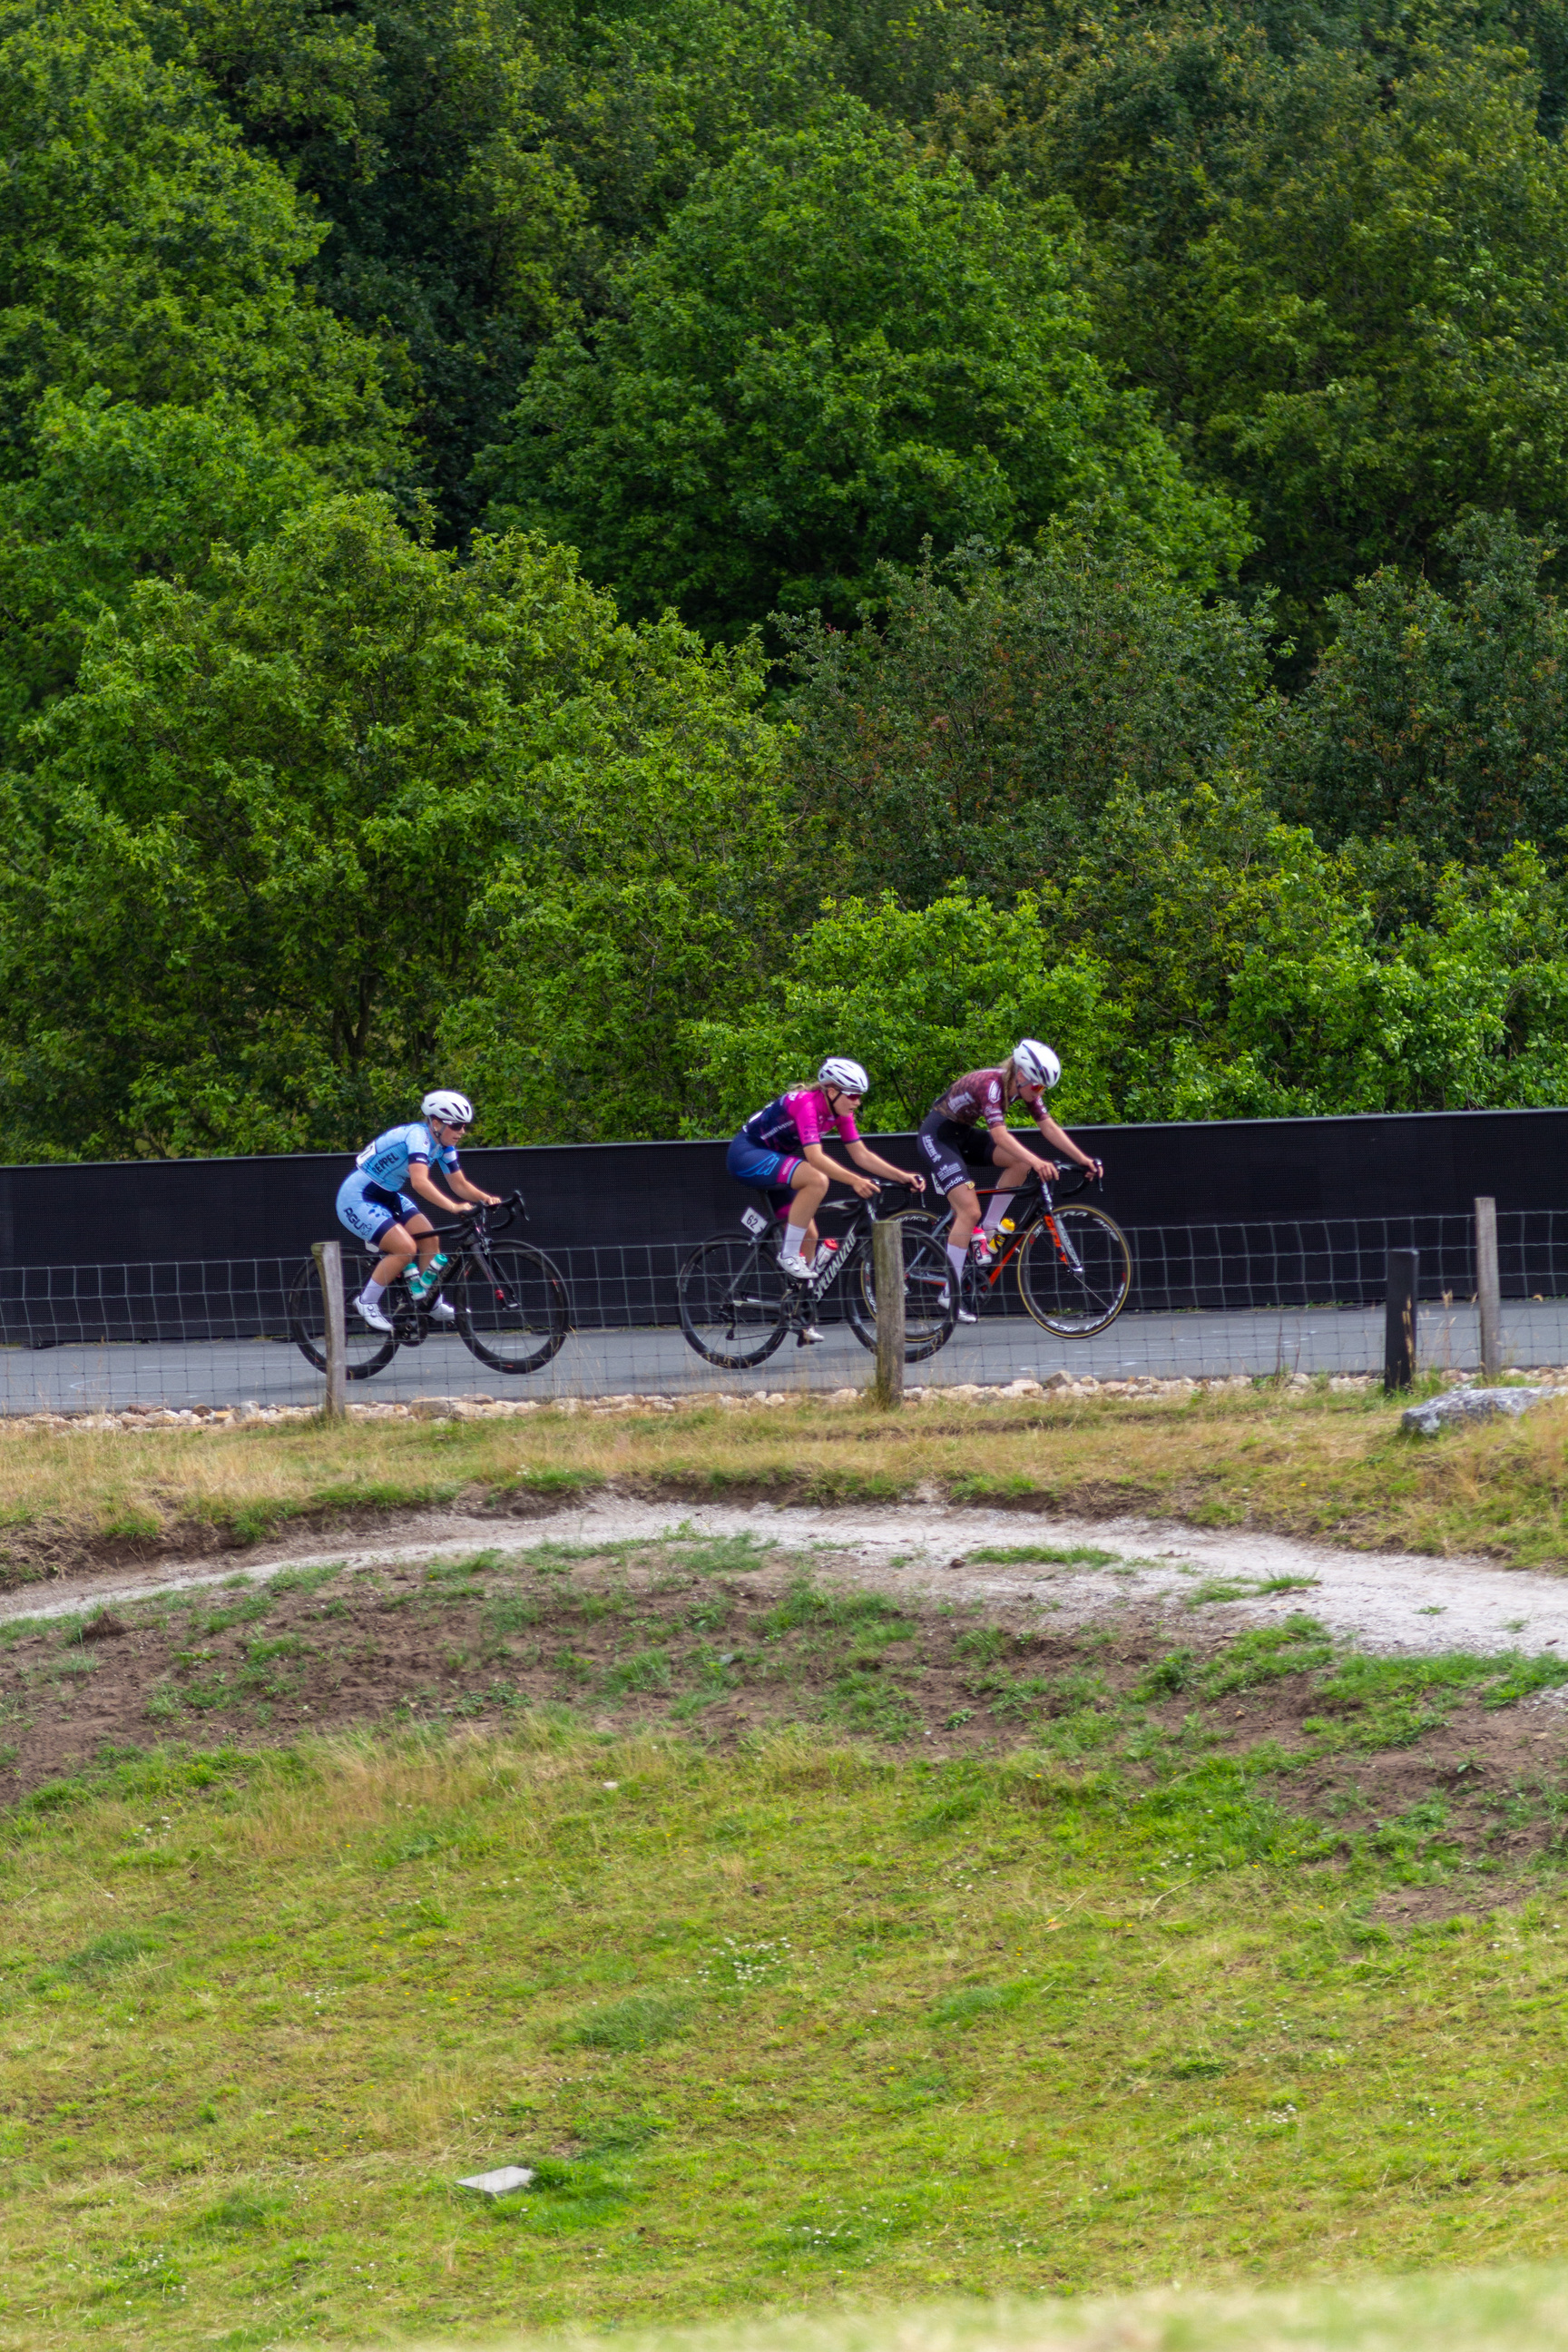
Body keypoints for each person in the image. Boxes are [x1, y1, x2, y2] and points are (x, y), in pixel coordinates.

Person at [916, 1043, 1103, 1319]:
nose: (1039, 1094)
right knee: (969, 1211)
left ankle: (990, 1230)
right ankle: (950, 1293)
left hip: (962, 1135)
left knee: (1020, 1162)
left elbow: (1048, 1126)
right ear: (1021, 1075)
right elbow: (1001, 1136)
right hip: (938, 1137)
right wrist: (1038, 1162)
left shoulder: (1022, 1086)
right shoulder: (993, 1085)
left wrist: (1083, 1159)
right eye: (1038, 1088)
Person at [726, 1058, 924, 1292]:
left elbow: (861, 1155)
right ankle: (788, 1255)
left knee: (810, 1235)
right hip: (747, 1154)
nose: (857, 1102)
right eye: (852, 1096)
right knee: (816, 1179)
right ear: (831, 1092)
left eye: (860, 1096)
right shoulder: (807, 1105)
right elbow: (816, 1158)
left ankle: (800, 1312)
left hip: (774, 1159)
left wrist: (903, 1177)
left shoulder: (841, 1113)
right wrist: (855, 1180)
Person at [337, 1090, 502, 1333]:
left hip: (388, 1195)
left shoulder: (443, 1144)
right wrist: (455, 1207)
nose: (462, 1131)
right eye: (456, 1125)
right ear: (436, 1123)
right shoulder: (418, 1137)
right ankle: (366, 1301)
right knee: (405, 1249)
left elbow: (459, 1184)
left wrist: (485, 1199)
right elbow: (420, 1183)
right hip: (357, 1197)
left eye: (464, 1125)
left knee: (430, 1239)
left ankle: (426, 1300)